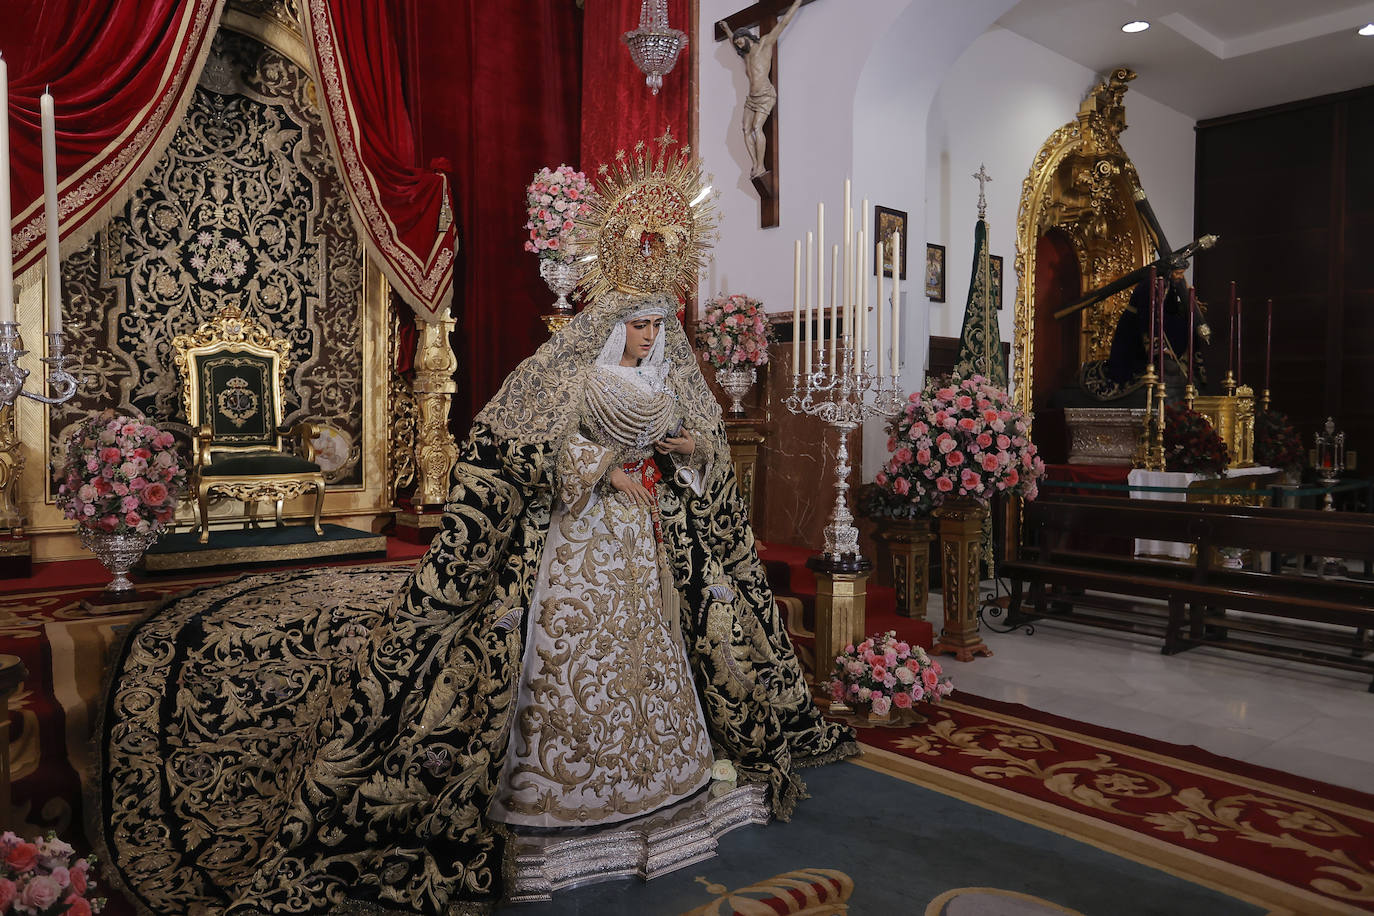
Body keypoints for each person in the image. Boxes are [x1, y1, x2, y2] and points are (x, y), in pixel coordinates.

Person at [98, 143, 857, 915]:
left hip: (640, 536)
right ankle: (562, 793)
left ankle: (663, 773)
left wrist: (676, 453)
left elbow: (704, 449)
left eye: (659, 326)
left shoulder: (668, 376)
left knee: (650, 649)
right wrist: (601, 466)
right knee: (571, 657)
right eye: (639, 326)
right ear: (614, 321)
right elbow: (518, 441)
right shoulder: (571, 371)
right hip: (582, 535)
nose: (650, 338)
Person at [1080, 261, 1209, 401]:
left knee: (1185, 326)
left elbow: (1170, 310)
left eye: (1181, 274)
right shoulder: (1149, 286)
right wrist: (1161, 348)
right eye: (1178, 273)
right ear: (1168, 271)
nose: (1180, 277)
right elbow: (1148, 317)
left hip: (1156, 323)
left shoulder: (1170, 285)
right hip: (1135, 330)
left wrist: (1189, 307)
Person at [720, 0, 803, 178]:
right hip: (751, 98)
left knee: (757, 128)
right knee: (745, 129)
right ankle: (756, 164)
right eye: (737, 43)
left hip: (765, 95)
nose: (739, 44)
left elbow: (783, 23)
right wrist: (727, 30)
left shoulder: (764, 44)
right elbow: (731, 41)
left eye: (740, 41)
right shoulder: (746, 56)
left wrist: (796, 4)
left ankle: (760, 167)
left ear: (747, 35)